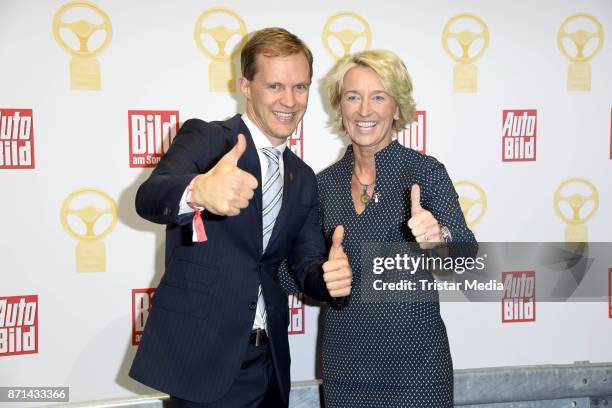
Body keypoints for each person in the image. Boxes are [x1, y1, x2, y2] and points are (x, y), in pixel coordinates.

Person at [129, 27, 352, 408]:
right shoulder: (207, 139)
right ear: (246, 86)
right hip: (202, 364)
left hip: (270, 368)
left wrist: (329, 281)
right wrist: (197, 190)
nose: (289, 101)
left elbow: (306, 264)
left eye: (300, 87)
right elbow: (149, 196)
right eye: (275, 86)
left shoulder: (302, 177)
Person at [318, 49, 476, 407]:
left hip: (417, 373)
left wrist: (440, 241)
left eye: (378, 97)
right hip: (346, 370)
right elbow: (289, 273)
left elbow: (465, 254)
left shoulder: (425, 172)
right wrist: (320, 273)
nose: (364, 110)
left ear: (398, 108)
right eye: (352, 97)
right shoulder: (323, 185)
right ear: (339, 107)